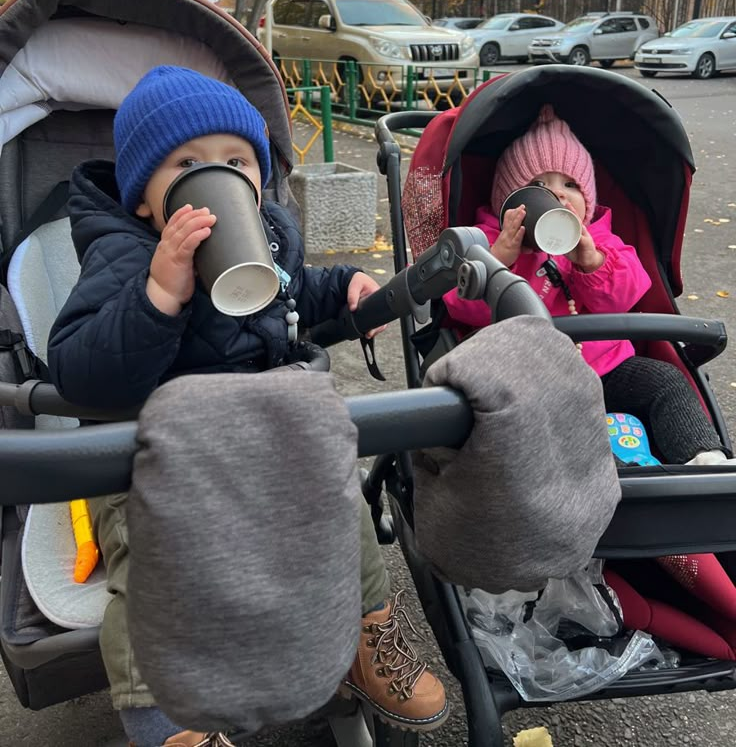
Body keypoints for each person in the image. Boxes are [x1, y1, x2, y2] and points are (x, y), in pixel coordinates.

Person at [47, 65, 448, 747]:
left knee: (340, 494)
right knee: (146, 575)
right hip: (154, 466)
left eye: (237, 161)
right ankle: (165, 717)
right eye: (188, 165)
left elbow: (299, 290)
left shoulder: (271, 234)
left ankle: (364, 628)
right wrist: (159, 293)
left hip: (265, 446)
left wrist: (346, 286)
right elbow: (79, 368)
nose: (219, 177)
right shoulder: (119, 253)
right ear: (144, 198)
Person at [443, 103, 733, 469]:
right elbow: (457, 303)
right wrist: (499, 260)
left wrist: (591, 261)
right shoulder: (484, 243)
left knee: (664, 381)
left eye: (570, 185)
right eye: (538, 187)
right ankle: (607, 471)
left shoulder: (601, 241)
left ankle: (702, 457)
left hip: (606, 367)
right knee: (531, 424)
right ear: (509, 201)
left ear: (589, 203)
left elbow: (630, 292)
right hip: (528, 379)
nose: (558, 196)